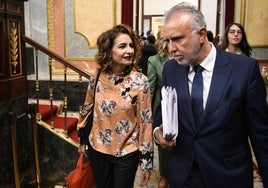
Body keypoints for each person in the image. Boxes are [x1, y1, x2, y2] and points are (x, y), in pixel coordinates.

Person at [153, 2, 268, 188]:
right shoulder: (170, 69)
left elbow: (261, 135)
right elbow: (162, 111)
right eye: (167, 41)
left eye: (177, 39)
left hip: (228, 176)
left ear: (201, 34)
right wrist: (157, 131)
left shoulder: (244, 70)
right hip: (183, 175)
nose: (171, 48)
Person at [77, 24, 154, 188]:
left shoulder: (140, 81)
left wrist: (146, 161)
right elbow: (87, 108)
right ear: (108, 51)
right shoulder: (97, 75)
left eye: (131, 45)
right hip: (97, 148)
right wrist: (82, 139)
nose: (130, 50)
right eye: (122, 46)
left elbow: (146, 122)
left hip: (127, 151)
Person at [147, 28, 169, 188]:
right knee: (164, 143)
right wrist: (148, 115)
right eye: (167, 39)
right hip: (163, 107)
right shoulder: (154, 61)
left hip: (185, 105)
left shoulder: (186, 57)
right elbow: (150, 88)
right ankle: (165, 175)